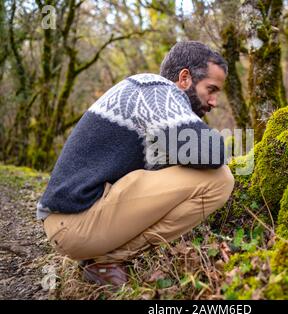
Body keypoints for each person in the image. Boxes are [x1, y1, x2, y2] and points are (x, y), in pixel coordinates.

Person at [36, 41, 235, 287]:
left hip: (71, 223)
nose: (214, 102)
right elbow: (212, 153)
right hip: (75, 224)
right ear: (185, 78)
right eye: (211, 89)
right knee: (219, 180)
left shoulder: (150, 100)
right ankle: (106, 261)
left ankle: (101, 260)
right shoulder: (156, 90)